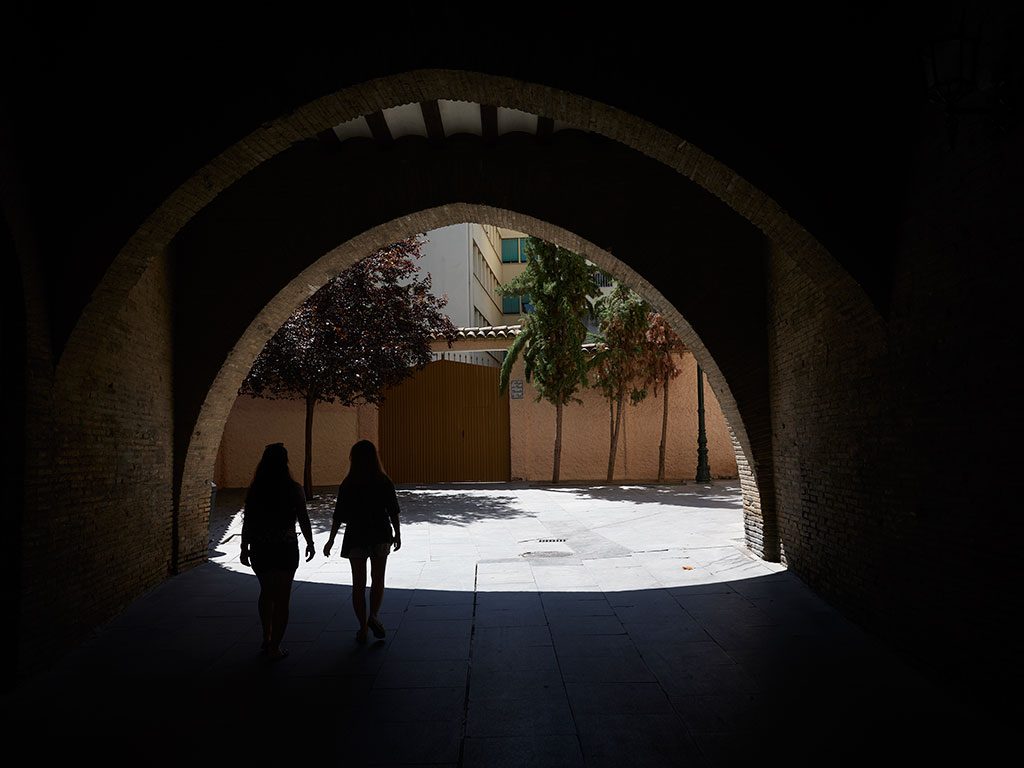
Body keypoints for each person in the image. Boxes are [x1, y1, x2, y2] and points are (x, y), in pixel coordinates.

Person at [239, 442, 315, 660]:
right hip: (285, 547)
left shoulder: (256, 490)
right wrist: (310, 542)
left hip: (261, 548)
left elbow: (248, 521)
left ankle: (267, 635)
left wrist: (244, 547)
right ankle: (275, 646)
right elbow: (303, 518)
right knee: (283, 598)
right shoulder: (294, 488)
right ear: (285, 462)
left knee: (266, 593)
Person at [324, 439, 401, 644]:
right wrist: (397, 533)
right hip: (380, 534)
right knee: (378, 579)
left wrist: (330, 540)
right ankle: (374, 615)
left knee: (358, 583)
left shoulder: (348, 484)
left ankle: (362, 627)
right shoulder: (384, 481)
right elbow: (393, 511)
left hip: (356, 536)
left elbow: (338, 515)